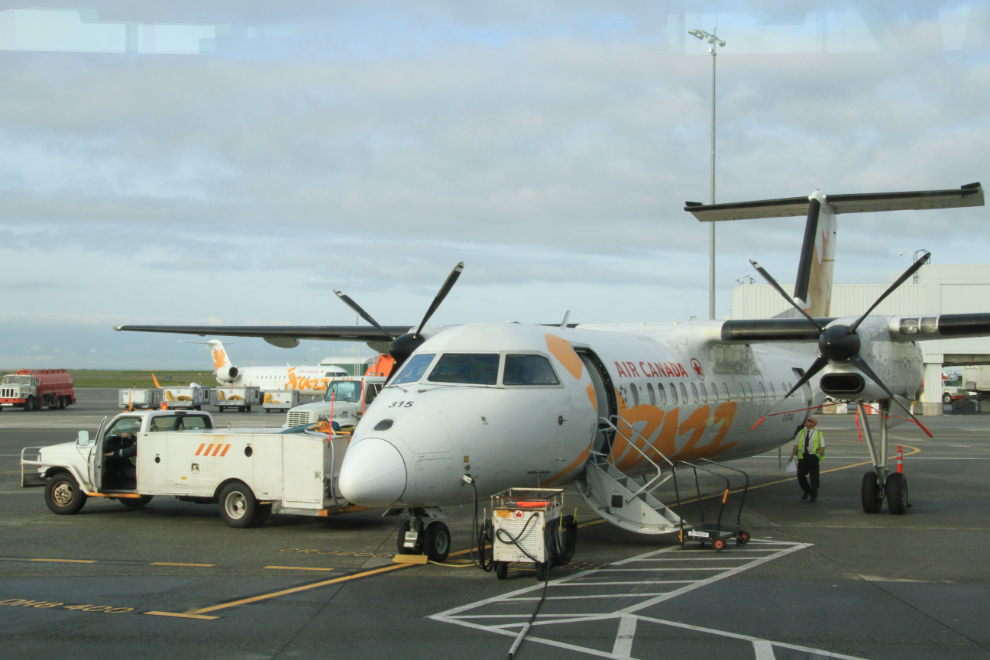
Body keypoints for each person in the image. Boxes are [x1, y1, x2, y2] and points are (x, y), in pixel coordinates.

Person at [789, 417, 825, 502]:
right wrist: (792, 455)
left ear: (813, 424)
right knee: (800, 475)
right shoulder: (801, 433)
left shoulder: (818, 434)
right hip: (803, 457)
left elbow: (822, 446)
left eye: (809, 421)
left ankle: (814, 494)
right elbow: (796, 445)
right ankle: (807, 489)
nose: (806, 421)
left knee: (814, 477)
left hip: (813, 457)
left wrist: (817, 456)